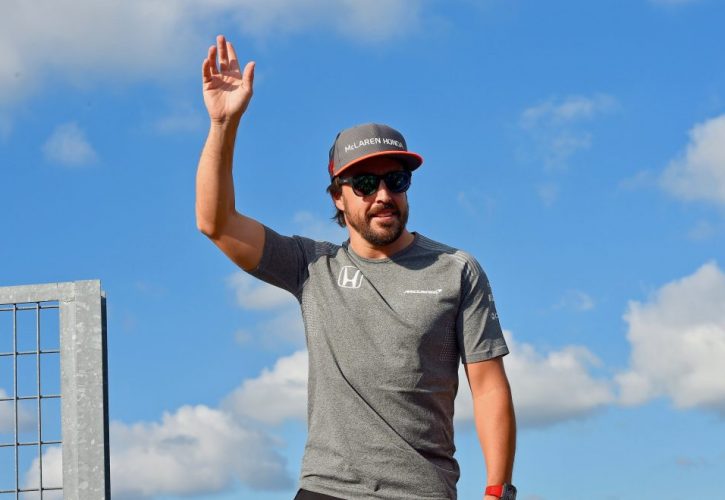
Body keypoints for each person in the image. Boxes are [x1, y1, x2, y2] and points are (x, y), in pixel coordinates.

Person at [196, 35, 517, 500]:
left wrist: (497, 491)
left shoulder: (456, 270)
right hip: (327, 490)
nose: (383, 195)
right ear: (338, 198)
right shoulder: (311, 266)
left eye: (396, 180)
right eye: (365, 183)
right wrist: (223, 124)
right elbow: (216, 222)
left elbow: (488, 387)